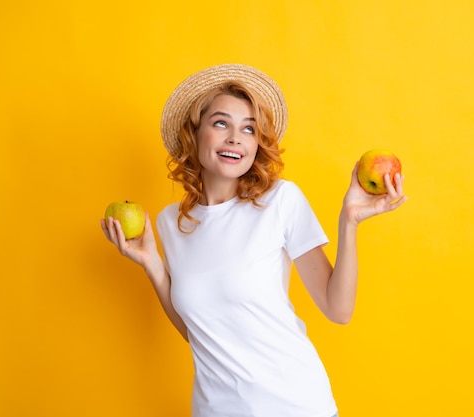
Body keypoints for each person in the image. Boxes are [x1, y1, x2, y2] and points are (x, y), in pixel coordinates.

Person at [101, 64, 406, 417]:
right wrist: (153, 264)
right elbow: (203, 333)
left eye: (248, 129)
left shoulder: (280, 201)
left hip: (295, 406)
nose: (235, 138)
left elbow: (338, 310)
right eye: (220, 123)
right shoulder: (172, 222)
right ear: (194, 133)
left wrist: (348, 222)